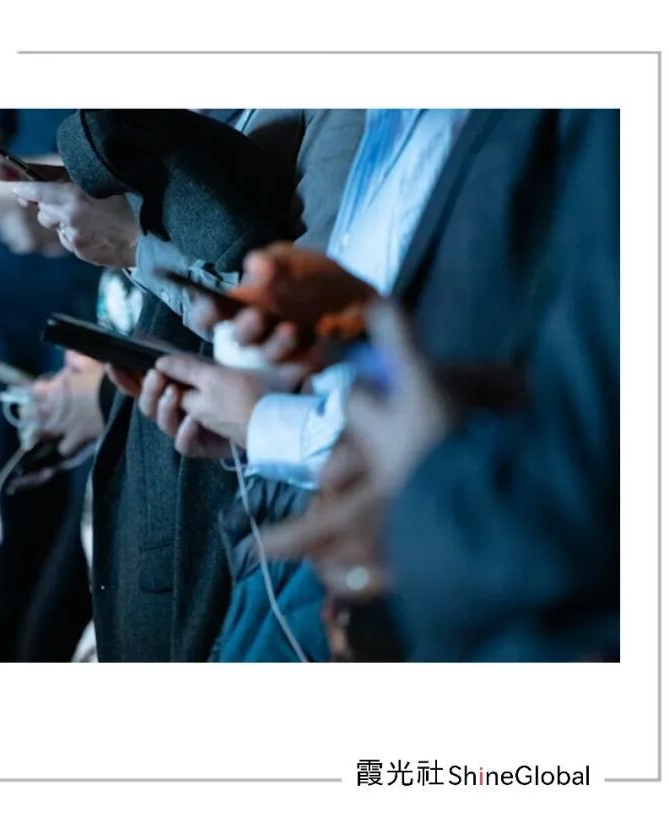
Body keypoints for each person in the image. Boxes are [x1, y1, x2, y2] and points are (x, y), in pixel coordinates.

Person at [167, 109, 616, 660]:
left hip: (484, 594)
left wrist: (272, 426)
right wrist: (353, 326)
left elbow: (586, 449)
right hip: (418, 549)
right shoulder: (393, 113)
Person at [3, 109, 365, 660]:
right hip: (162, 472)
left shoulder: (338, 114)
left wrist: (132, 241)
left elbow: (289, 326)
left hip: (234, 501)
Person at [0, 109, 99, 660]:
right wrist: (37, 186)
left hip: (102, 311)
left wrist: (86, 187)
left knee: (79, 556)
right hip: (2, 311)